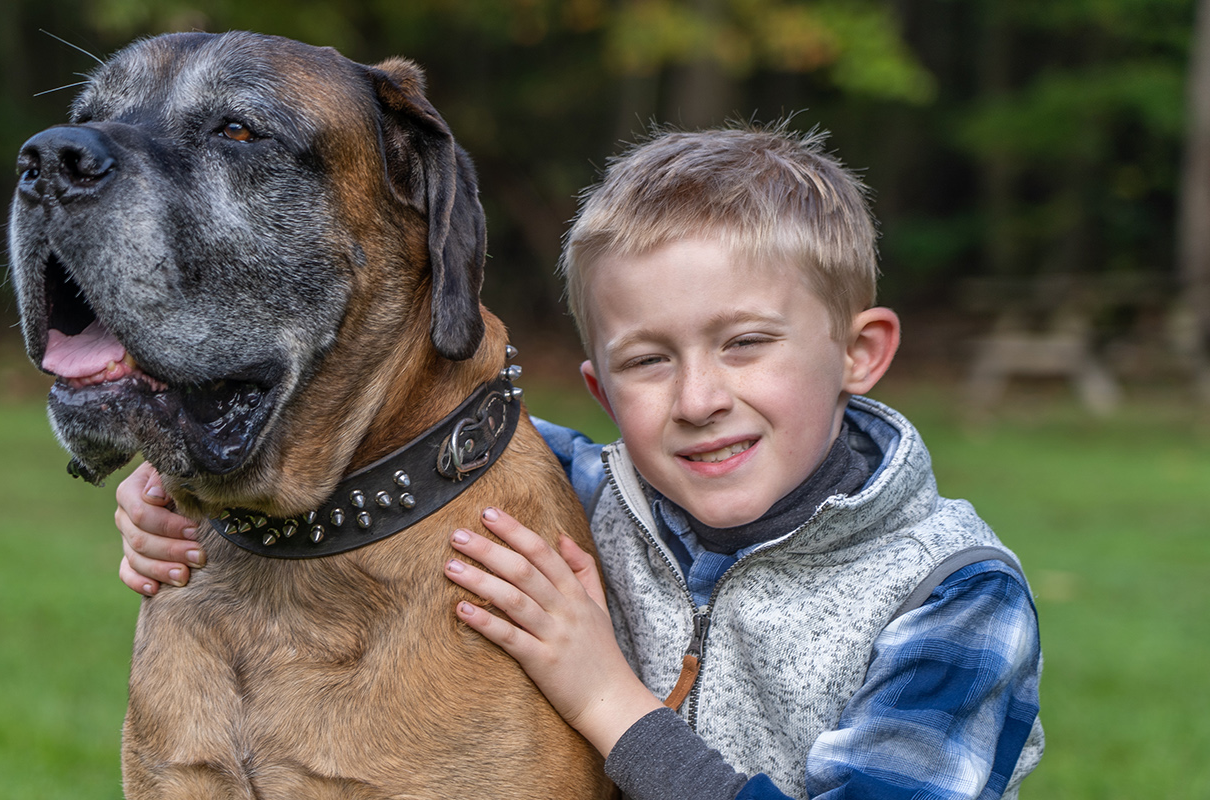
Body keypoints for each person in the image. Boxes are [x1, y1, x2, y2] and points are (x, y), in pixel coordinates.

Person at [111, 124, 1043, 800]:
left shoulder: (953, 596)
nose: (698, 399)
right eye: (649, 360)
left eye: (746, 343)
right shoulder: (589, 486)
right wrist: (178, 489)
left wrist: (609, 702)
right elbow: (385, 456)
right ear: (601, 390)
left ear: (860, 352)